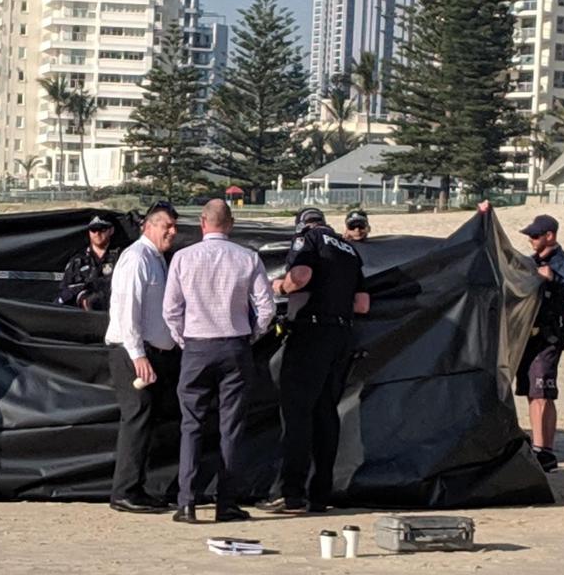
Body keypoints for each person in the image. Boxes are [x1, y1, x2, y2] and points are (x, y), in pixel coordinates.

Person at [162, 200, 275, 524]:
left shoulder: (183, 258)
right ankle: (226, 502)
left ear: (202, 222)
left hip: (197, 346)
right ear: (232, 223)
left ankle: (187, 503)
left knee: (192, 425)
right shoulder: (247, 257)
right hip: (234, 345)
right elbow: (266, 309)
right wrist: (249, 336)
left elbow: (171, 309)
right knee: (231, 427)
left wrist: (185, 340)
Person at [269, 207, 370, 514]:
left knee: (297, 413)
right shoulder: (349, 250)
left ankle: (292, 494)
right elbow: (362, 304)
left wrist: (280, 287)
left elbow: (301, 276)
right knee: (327, 413)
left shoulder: (308, 239)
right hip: (341, 337)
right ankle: (320, 494)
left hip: (311, 332)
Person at [103, 201, 180, 514]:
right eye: (166, 226)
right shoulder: (136, 258)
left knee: (146, 421)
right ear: (148, 226)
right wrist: (138, 355)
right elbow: (127, 309)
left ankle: (138, 486)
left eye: (174, 227)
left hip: (154, 352)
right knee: (137, 419)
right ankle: (123, 492)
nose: (172, 232)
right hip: (132, 352)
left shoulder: (156, 259)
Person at [516, 214, 564, 473]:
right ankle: (538, 447)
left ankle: (545, 450)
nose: (531, 240)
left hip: (549, 337)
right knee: (533, 393)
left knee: (543, 392)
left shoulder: (563, 263)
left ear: (550, 236)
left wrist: (552, 278)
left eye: (535, 235)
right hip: (530, 336)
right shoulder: (532, 262)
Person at [56, 215, 120, 311]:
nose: (97, 233)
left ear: (111, 230)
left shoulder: (121, 258)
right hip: (83, 318)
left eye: (102, 229)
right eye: (93, 229)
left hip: (113, 313)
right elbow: (64, 291)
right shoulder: (78, 261)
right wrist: (82, 297)